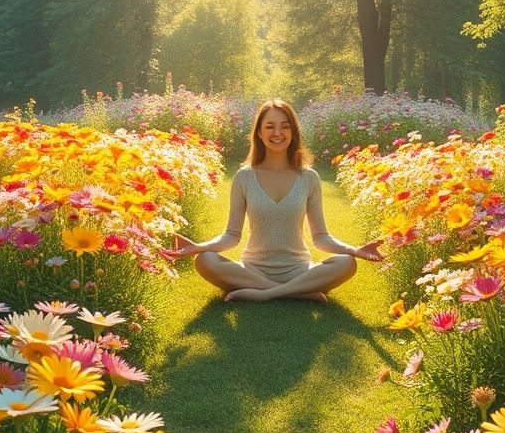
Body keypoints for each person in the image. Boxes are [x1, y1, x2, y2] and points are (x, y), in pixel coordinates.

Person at [160, 99, 383, 301]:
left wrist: (355, 250)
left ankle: (265, 294)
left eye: (285, 126)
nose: (278, 132)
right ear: (259, 132)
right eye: (270, 126)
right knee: (205, 260)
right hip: (253, 270)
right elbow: (231, 236)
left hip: (299, 270)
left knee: (346, 263)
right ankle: (300, 292)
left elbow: (321, 238)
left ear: (294, 132)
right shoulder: (244, 177)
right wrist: (198, 247)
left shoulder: (309, 178)